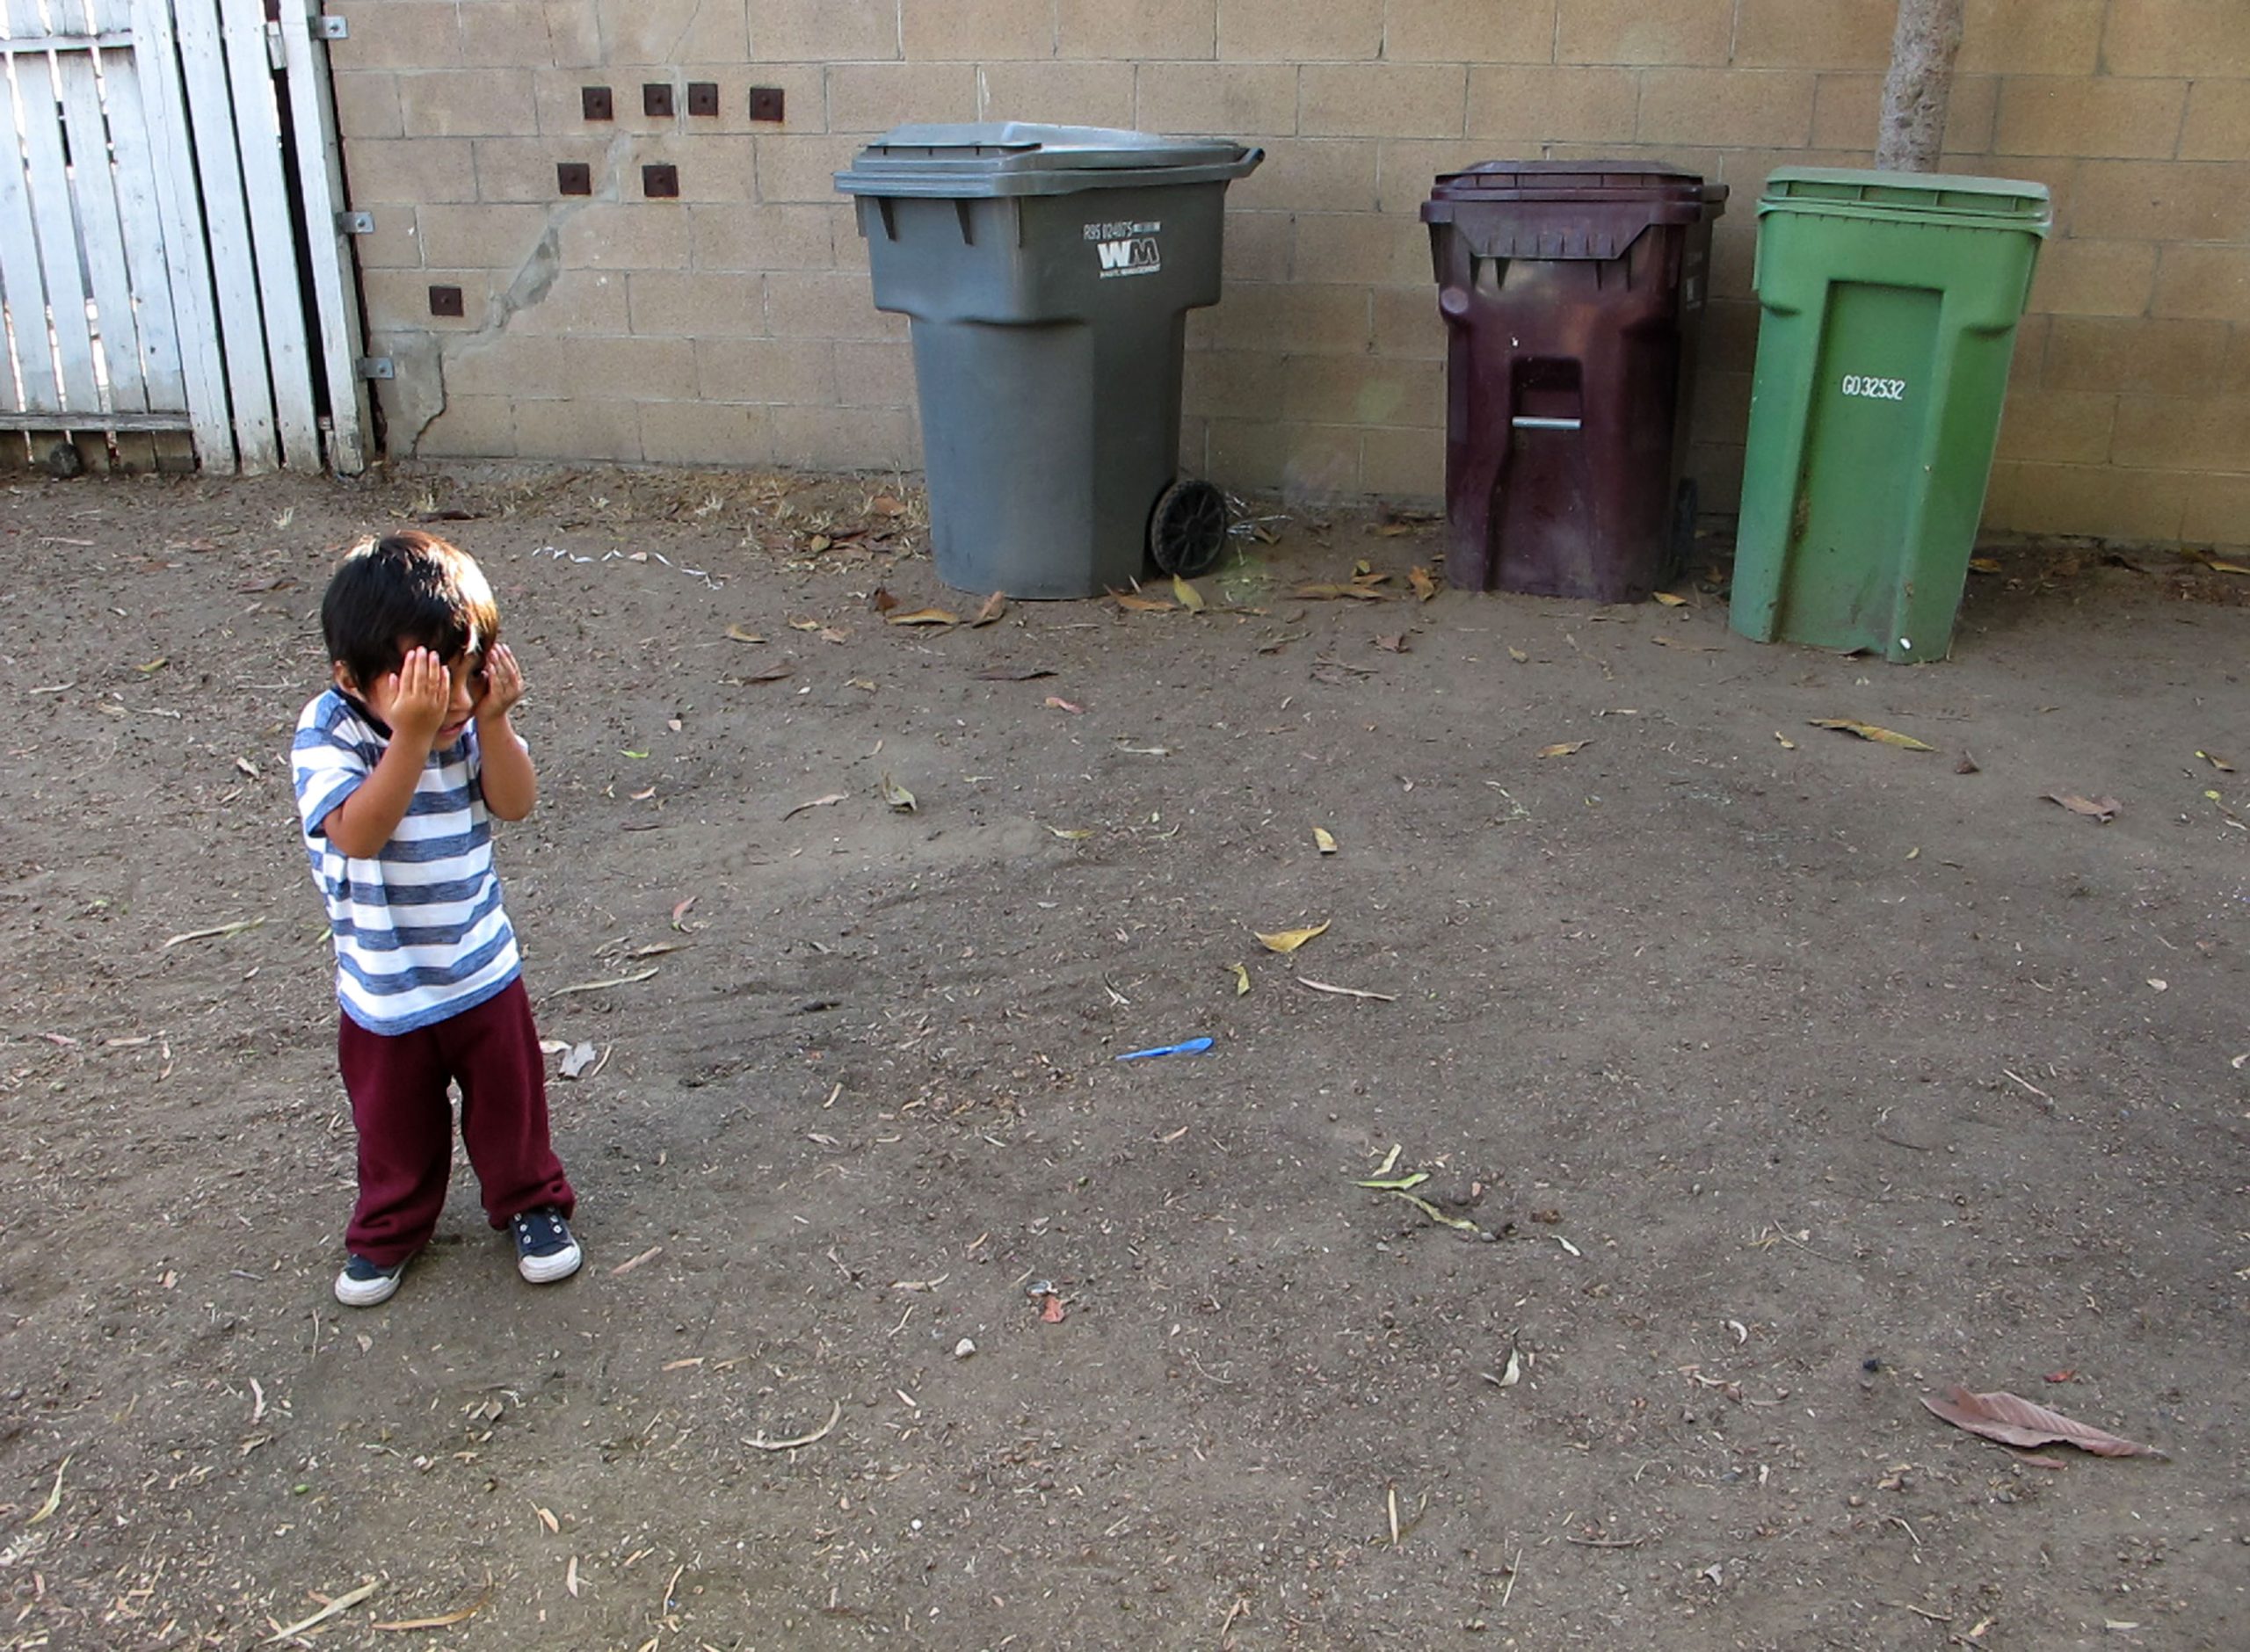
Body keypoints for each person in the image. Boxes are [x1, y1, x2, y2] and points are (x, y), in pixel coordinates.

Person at [291, 531, 580, 1307]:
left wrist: (494, 722)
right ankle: (389, 1231)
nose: (451, 697)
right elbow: (357, 832)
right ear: (351, 679)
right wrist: (411, 739)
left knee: (511, 1105)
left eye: (466, 670)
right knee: (395, 1128)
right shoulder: (329, 733)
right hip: (386, 987)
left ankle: (531, 1201)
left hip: (482, 965)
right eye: (422, 679)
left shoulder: (463, 723)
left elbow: (515, 805)